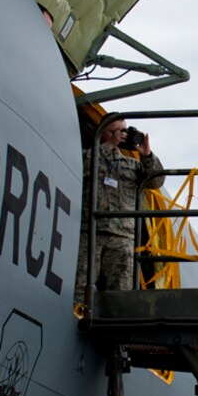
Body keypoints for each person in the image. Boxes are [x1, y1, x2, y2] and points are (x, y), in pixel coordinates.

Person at [78, 113, 164, 301]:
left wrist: (147, 155)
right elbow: (79, 167)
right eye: (115, 131)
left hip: (122, 238)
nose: (121, 135)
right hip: (90, 233)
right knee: (81, 290)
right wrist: (108, 146)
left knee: (120, 294)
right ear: (103, 133)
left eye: (123, 131)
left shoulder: (132, 165)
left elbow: (156, 180)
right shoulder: (89, 156)